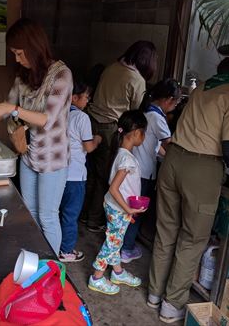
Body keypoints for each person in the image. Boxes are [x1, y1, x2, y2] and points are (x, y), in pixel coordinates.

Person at [148, 36, 229, 323]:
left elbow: (206, 127)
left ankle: (154, 294)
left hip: (173, 161)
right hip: (201, 171)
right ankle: (171, 306)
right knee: (192, 240)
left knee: (166, 231)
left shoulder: (205, 86)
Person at [0, 18, 72, 255]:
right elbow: (8, 103)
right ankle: (34, 262)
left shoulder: (62, 75)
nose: (17, 59)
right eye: (14, 53)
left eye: (20, 53)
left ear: (34, 48)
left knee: (48, 217)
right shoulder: (24, 75)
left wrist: (11, 110)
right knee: (29, 213)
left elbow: (46, 119)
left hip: (52, 158)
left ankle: (51, 269)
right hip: (28, 154)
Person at [81, 41, 157, 233]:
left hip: (91, 122)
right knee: (104, 176)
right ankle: (94, 219)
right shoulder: (136, 80)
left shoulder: (111, 67)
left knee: (89, 172)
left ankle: (83, 214)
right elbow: (136, 112)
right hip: (110, 128)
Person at [121, 79, 182, 263]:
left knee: (129, 209)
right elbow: (169, 145)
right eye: (177, 102)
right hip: (145, 172)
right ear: (169, 99)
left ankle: (123, 244)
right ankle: (127, 249)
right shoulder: (158, 118)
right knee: (136, 212)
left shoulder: (146, 113)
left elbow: (155, 147)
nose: (176, 106)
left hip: (135, 168)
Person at [88, 110, 148, 295]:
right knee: (112, 243)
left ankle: (118, 272)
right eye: (144, 132)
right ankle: (96, 278)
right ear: (137, 132)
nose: (144, 136)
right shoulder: (127, 159)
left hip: (114, 207)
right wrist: (128, 209)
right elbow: (114, 188)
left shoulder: (120, 153)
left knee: (116, 240)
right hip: (119, 208)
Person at [58, 79, 102, 262]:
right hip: (75, 175)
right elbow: (89, 147)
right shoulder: (82, 118)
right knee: (70, 214)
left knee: (56, 212)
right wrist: (98, 139)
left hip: (57, 173)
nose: (87, 101)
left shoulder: (59, 114)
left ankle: (53, 244)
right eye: (86, 97)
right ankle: (67, 250)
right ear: (74, 97)